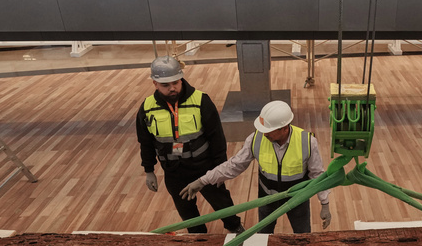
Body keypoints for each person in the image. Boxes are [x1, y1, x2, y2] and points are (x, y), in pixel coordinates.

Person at [181, 101, 331, 233]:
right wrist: (203, 181)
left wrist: (325, 204)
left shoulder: (307, 142)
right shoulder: (256, 139)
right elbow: (234, 165)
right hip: (267, 200)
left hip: (298, 200)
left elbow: (317, 175)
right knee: (263, 237)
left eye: (268, 130)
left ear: (284, 128)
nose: (263, 133)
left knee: (302, 236)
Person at [136, 57, 243, 234]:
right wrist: (149, 171)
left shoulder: (201, 101)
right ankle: (198, 237)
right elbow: (145, 142)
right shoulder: (147, 108)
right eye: (165, 85)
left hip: (205, 167)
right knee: (186, 211)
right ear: (155, 83)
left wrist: (220, 169)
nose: (172, 88)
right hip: (173, 171)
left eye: (175, 83)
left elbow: (217, 138)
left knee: (221, 202)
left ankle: (234, 226)